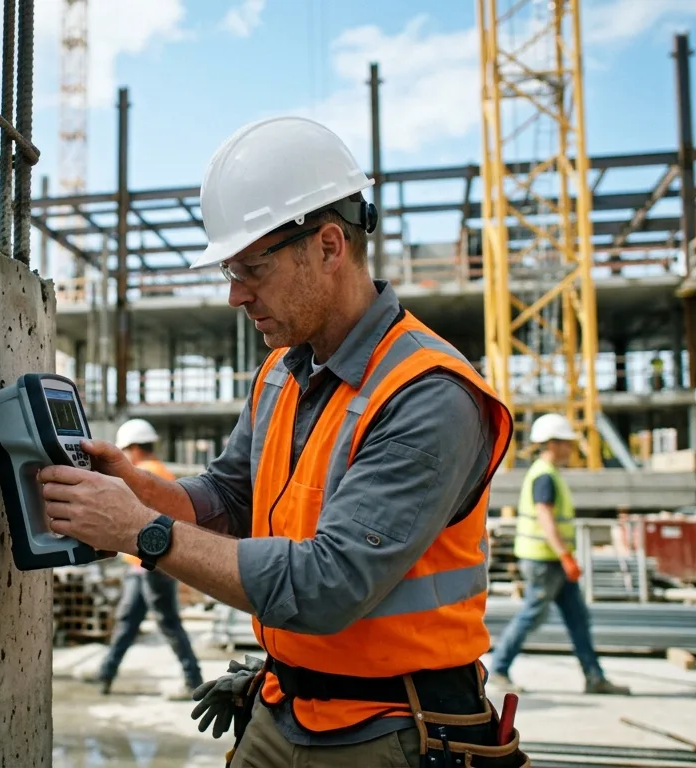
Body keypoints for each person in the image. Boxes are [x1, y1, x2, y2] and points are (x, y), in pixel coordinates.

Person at [38, 117, 525, 767]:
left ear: (329, 246)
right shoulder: (281, 371)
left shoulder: (429, 395)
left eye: (251, 269)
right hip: (284, 704)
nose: (236, 295)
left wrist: (142, 533)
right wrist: (141, 489)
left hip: (395, 728)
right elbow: (231, 495)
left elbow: (328, 586)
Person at [488, 413, 630, 696]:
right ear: (551, 444)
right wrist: (566, 556)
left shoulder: (549, 474)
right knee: (531, 615)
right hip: (545, 560)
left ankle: (594, 677)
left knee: (578, 618)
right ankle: (499, 669)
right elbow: (546, 519)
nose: (570, 448)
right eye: (565, 443)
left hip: (552, 559)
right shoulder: (544, 476)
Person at [95, 419, 206, 696]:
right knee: (128, 621)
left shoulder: (140, 474)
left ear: (132, 448)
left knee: (168, 623)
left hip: (153, 566)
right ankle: (106, 674)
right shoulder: (162, 473)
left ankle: (194, 680)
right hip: (144, 565)